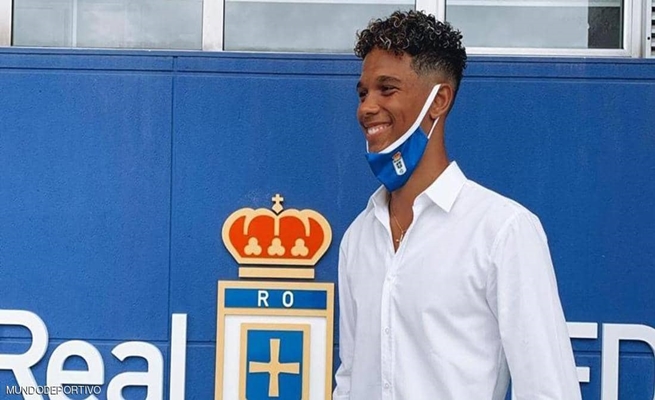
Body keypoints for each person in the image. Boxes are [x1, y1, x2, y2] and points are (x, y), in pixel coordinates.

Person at [333, 10, 581, 400]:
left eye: (387, 89)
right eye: (363, 93)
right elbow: (350, 380)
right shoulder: (358, 238)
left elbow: (548, 389)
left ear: (439, 100)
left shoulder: (502, 231)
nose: (366, 108)